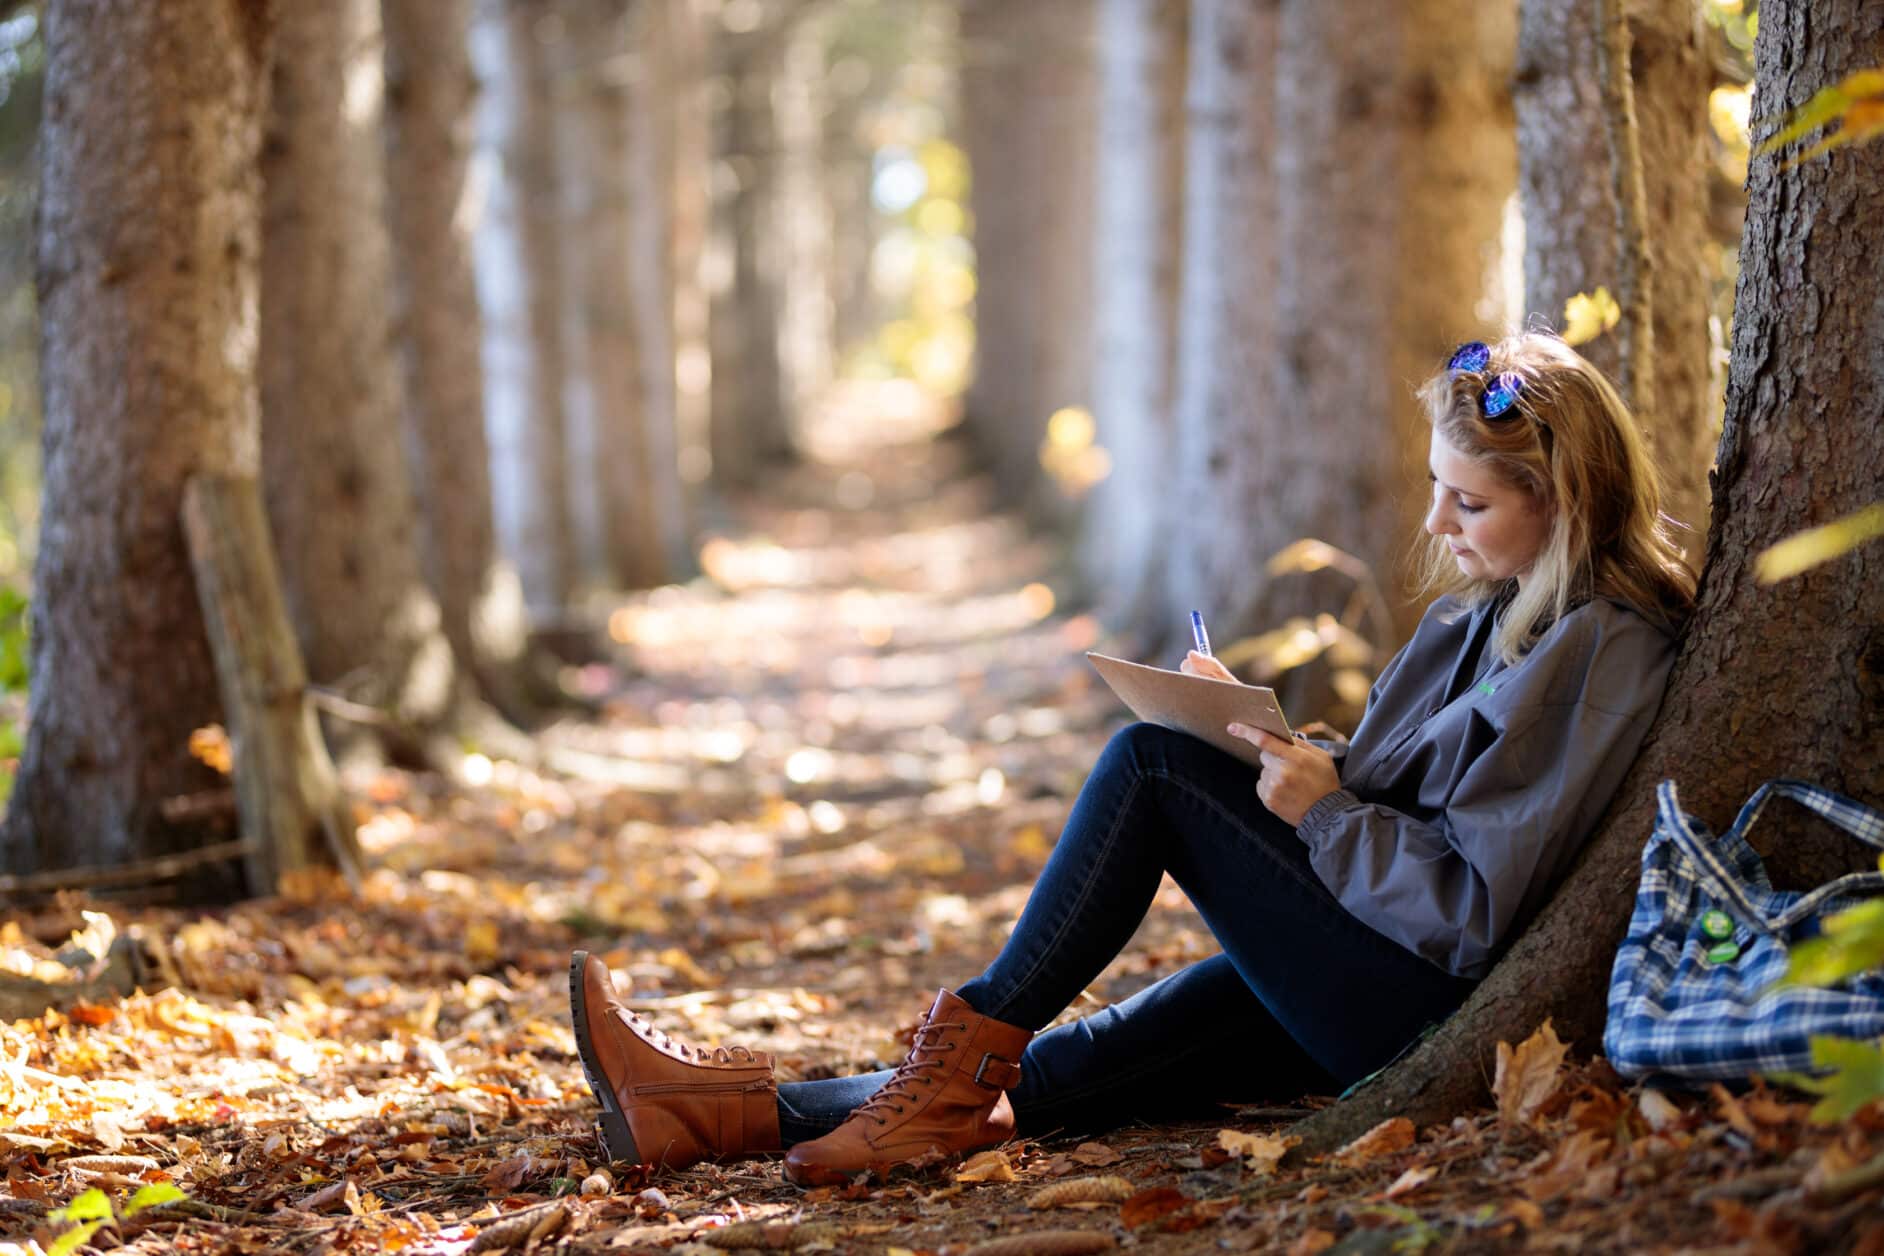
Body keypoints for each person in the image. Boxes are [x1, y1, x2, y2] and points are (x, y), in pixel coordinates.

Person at [568, 332, 1698, 1186]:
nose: (1441, 524)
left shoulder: (1605, 649)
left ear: (1563, 500)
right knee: (1059, 1070)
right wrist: (1276, 746)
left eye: (1473, 501)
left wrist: (1318, 815)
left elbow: (1473, 908)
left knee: (1151, 767)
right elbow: (1399, 788)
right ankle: (701, 1109)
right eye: (1439, 490)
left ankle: (942, 1058)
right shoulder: (1486, 615)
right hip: (1368, 945)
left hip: (1422, 998)